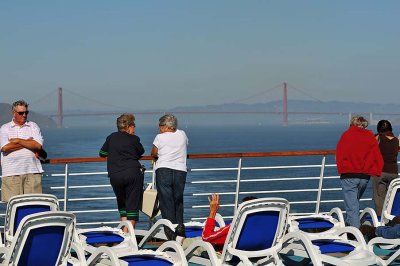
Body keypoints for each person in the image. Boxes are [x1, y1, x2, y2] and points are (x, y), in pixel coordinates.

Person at [336, 115, 384, 228]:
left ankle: (355, 235)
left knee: (352, 206)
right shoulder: (369, 136)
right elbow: (376, 154)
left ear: (352, 123)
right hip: (364, 176)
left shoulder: (346, 135)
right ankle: (351, 226)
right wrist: (376, 170)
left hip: (349, 175)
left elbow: (340, 153)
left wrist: (341, 168)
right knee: (354, 204)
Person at [99, 113, 144, 229]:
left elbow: (102, 154)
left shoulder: (111, 137)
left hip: (115, 175)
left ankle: (124, 235)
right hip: (132, 173)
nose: (134, 127)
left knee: (122, 204)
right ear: (129, 126)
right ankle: (129, 236)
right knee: (132, 205)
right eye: (133, 125)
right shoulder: (134, 139)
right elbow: (140, 152)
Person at [151, 114, 188, 235]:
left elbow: (153, 152)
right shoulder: (182, 134)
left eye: (161, 126)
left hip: (163, 169)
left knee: (166, 200)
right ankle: (180, 227)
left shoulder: (160, 137)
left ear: (167, 126)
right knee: (178, 198)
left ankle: (170, 230)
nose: (159, 128)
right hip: (180, 170)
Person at [0, 100, 44, 202]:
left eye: (26, 112)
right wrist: (29, 142)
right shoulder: (5, 128)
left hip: (33, 171)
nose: (24, 115)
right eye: (21, 113)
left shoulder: (33, 126)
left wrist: (18, 141)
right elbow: (5, 148)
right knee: (13, 206)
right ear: (13, 113)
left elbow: (38, 146)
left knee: (34, 205)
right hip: (11, 173)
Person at [372, 120, 399, 216]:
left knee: (380, 198)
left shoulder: (378, 138)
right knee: (392, 197)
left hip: (380, 172)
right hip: (394, 173)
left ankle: (381, 220)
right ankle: (393, 218)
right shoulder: (396, 140)